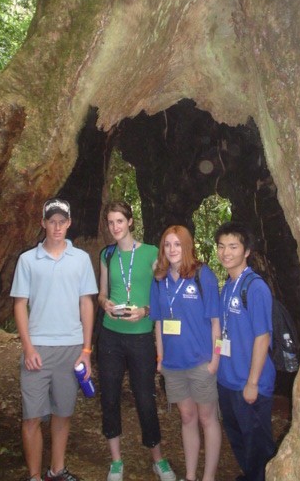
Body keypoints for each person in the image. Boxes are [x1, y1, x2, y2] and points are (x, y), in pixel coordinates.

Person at [10, 198, 98, 481]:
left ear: (69, 223)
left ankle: (56, 470)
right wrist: (27, 347)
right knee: (32, 416)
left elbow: (86, 303)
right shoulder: (28, 260)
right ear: (43, 223)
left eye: (62, 221)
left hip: (71, 348)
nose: (57, 227)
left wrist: (86, 350)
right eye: (52, 221)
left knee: (63, 412)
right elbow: (20, 304)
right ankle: (35, 475)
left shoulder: (81, 259)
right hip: (37, 347)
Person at [96, 201, 176, 481]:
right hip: (110, 335)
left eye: (119, 221)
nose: (115, 227)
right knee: (110, 396)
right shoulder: (107, 254)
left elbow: (164, 294)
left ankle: (158, 459)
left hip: (141, 336)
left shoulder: (151, 253)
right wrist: (105, 304)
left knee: (145, 398)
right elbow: (101, 293)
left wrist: (145, 311)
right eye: (110, 222)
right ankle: (116, 461)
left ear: (130, 221)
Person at [150, 225, 222, 481]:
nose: (172, 249)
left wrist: (215, 360)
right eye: (168, 244)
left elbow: (216, 323)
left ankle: (208, 477)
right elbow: (159, 323)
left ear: (187, 246)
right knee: (187, 417)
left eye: (177, 244)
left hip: (201, 362)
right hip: (173, 365)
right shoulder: (159, 280)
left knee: (207, 418)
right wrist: (160, 359)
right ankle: (191, 476)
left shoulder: (202, 275)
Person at [215, 221, 276, 481]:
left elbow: (263, 337)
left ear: (246, 251)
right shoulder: (228, 286)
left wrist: (252, 383)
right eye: (221, 246)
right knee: (238, 437)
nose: (226, 252)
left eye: (233, 246)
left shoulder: (255, 287)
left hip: (250, 382)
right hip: (228, 380)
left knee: (258, 445)